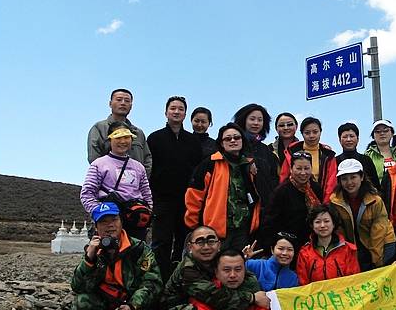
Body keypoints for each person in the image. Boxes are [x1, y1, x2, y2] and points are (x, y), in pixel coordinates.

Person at [71, 202, 162, 310]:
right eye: (103, 222)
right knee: (81, 303)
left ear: (121, 221)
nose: (110, 226)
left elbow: (152, 283)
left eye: (113, 220)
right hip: (107, 307)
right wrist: (89, 260)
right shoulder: (94, 250)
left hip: (132, 307)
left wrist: (133, 306)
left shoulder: (139, 249)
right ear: (96, 227)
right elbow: (77, 287)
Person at [148, 96, 202, 281]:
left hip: (186, 200)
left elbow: (197, 170)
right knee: (161, 242)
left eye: (180, 109)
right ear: (166, 112)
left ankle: (179, 279)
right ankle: (157, 280)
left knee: (183, 241)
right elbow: (150, 168)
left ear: (185, 114)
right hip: (162, 199)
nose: (176, 112)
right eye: (173, 108)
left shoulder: (192, 141)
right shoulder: (155, 138)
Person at [185, 123, 262, 252]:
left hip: (242, 229)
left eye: (237, 137)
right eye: (228, 138)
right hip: (214, 231)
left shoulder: (249, 165)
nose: (233, 140)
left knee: (238, 267)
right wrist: (194, 227)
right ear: (221, 143)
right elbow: (194, 195)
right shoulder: (210, 163)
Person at [80, 122, 152, 241]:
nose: (123, 141)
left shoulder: (139, 167)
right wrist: (101, 214)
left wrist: (147, 213)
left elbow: (146, 193)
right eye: (118, 137)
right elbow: (87, 194)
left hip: (135, 221)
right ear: (110, 139)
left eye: (126, 137)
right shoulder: (99, 164)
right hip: (110, 221)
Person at [329, 159, 396, 271]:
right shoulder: (335, 201)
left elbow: (379, 231)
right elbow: (339, 230)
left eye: (353, 177)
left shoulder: (375, 200)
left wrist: (377, 261)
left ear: (362, 177)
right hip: (355, 245)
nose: (349, 182)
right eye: (344, 179)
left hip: (383, 243)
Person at [256, 151, 322, 250]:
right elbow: (269, 222)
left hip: (312, 243)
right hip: (288, 245)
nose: (303, 173)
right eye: (299, 168)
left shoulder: (315, 188)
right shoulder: (281, 191)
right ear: (291, 169)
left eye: (307, 168)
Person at [87, 88, 152, 175]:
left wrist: (141, 178)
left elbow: (147, 159)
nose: (123, 103)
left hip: (135, 185)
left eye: (127, 101)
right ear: (110, 104)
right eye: (119, 100)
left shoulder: (138, 133)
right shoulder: (99, 128)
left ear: (131, 106)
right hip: (109, 184)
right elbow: (94, 157)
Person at [295, 204, 360, 285]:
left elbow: (354, 280)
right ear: (312, 225)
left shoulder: (348, 249)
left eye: (326, 221)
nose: (322, 225)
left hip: (341, 295)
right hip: (315, 296)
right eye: (318, 222)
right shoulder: (305, 253)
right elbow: (303, 283)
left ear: (334, 224)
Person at [279, 117, 338, 202]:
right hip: (293, 200)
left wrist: (325, 205)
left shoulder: (328, 155)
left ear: (320, 132)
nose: (311, 136)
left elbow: (331, 183)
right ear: (302, 134)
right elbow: (284, 177)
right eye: (307, 133)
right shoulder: (292, 151)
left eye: (315, 132)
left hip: (320, 199)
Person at [233, 103, 280, 209]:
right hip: (239, 207)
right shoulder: (234, 146)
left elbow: (273, 179)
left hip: (264, 207)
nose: (256, 123)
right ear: (244, 120)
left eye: (260, 120)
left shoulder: (267, 151)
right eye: (252, 119)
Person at [335, 122, 381, 189]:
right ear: (339, 140)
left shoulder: (366, 160)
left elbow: (376, 186)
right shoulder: (334, 162)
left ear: (358, 139)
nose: (348, 139)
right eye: (345, 137)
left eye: (352, 136)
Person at [364, 119, 396, 184]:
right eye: (377, 131)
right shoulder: (367, 155)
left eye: (386, 131)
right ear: (373, 136)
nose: (382, 133)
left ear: (392, 134)